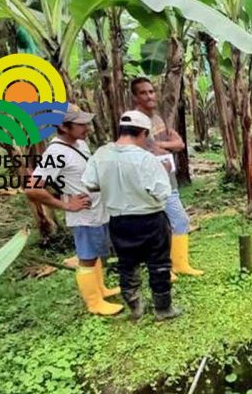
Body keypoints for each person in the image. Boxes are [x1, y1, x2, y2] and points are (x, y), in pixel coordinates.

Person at [82, 110, 181, 322]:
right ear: (143, 133)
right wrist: (162, 171)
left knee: (126, 264)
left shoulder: (100, 155)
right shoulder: (146, 159)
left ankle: (135, 307)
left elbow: (90, 184)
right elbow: (162, 192)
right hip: (150, 219)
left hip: (118, 220)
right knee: (159, 263)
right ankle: (163, 309)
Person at [26, 105, 122, 316]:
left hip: (98, 210)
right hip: (84, 215)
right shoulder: (55, 152)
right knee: (87, 257)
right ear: (63, 126)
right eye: (81, 124)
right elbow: (32, 189)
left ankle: (101, 289)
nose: (87, 128)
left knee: (96, 253)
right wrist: (66, 205)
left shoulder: (80, 144)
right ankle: (94, 302)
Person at [131, 77, 203, 278]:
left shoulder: (157, 118)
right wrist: (165, 146)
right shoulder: (134, 121)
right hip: (150, 184)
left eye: (151, 91)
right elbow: (149, 148)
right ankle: (162, 268)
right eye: (144, 92)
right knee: (157, 227)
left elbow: (178, 144)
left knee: (179, 220)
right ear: (135, 96)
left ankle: (180, 264)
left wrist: (160, 146)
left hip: (168, 180)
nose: (149, 96)